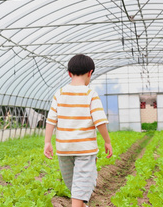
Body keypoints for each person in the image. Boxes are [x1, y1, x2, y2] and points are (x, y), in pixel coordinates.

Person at [44, 54, 113, 207]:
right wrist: (107, 142)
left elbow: (51, 120)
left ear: (69, 73)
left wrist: (47, 142)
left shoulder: (59, 94)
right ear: (90, 72)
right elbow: (100, 122)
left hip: (64, 149)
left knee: (73, 185)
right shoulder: (90, 94)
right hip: (85, 149)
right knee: (80, 186)